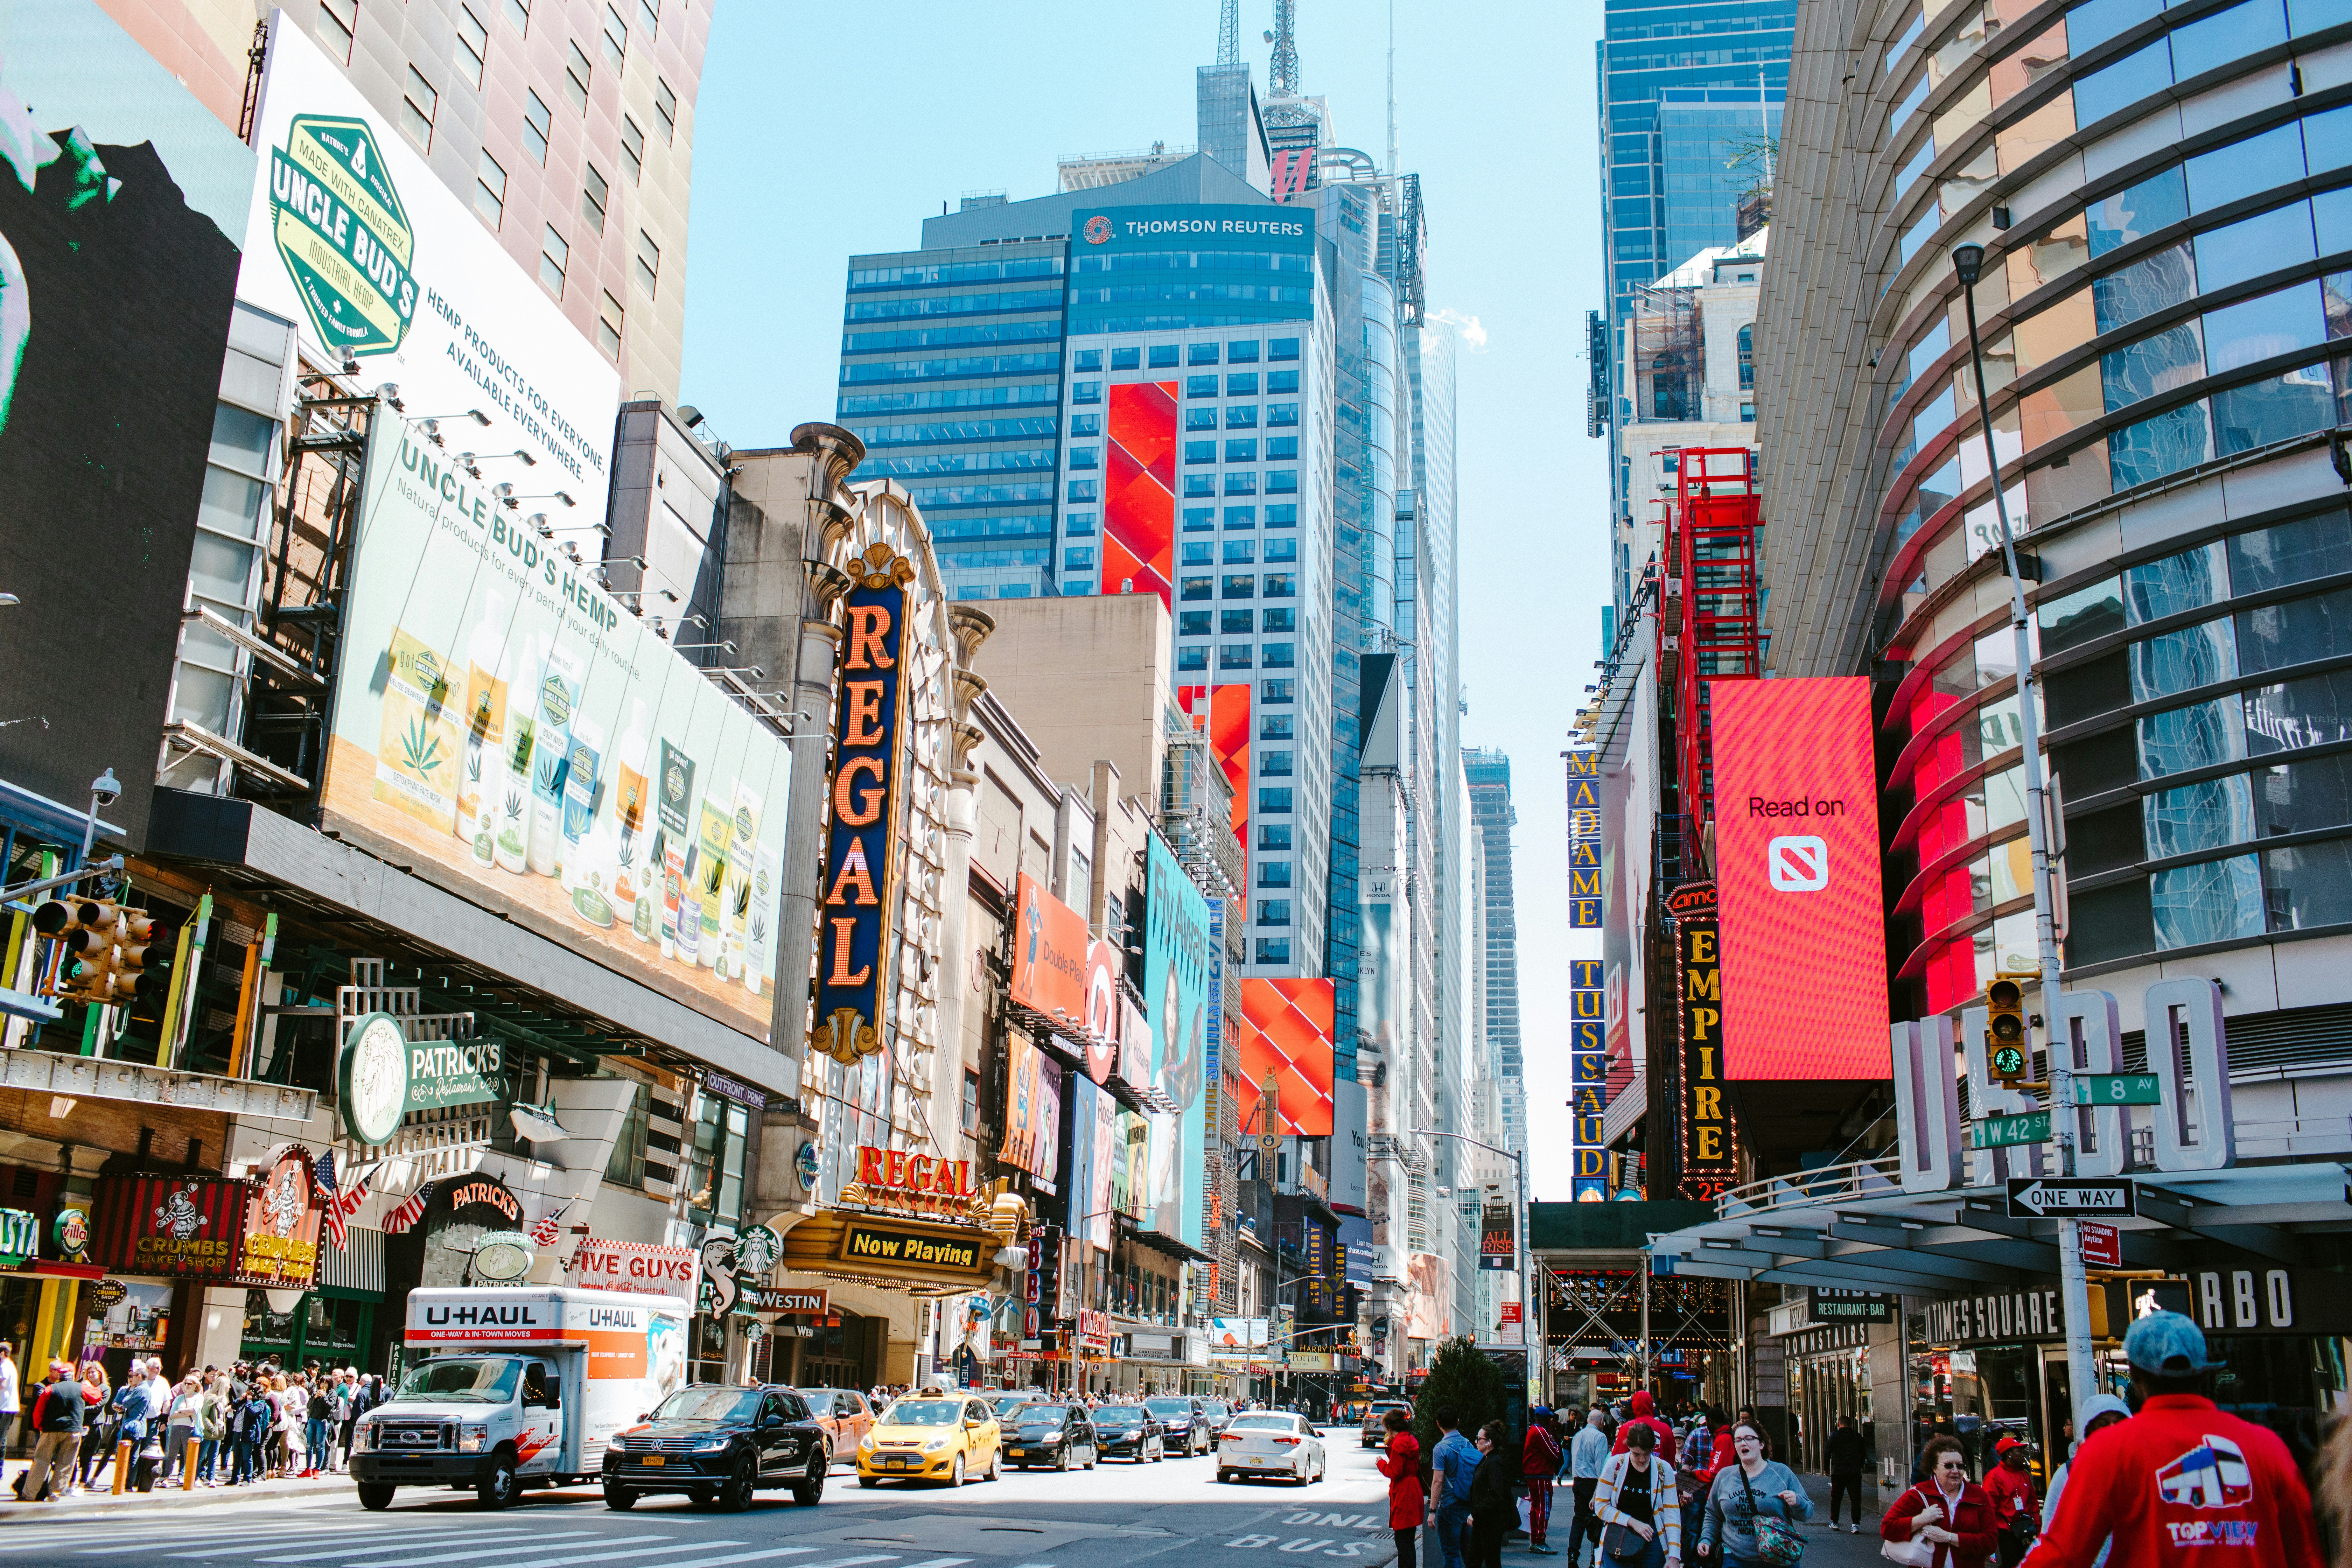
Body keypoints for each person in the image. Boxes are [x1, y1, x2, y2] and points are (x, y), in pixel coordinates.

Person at [2021, 1311, 2319, 1567]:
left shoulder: (2108, 1451)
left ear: (2135, 1374)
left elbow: (2061, 1557)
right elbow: (2305, 1557)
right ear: (2204, 1375)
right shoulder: (2267, 1448)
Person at [1697, 1420, 1812, 1564]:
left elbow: (1807, 1514)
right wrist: (1707, 1539)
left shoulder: (1782, 1473)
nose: (1743, 1443)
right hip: (1735, 1558)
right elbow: (1713, 1514)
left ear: (1761, 1445)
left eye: (1749, 1438)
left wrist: (1798, 1503)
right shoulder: (1724, 1476)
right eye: (1738, 1440)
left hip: (1777, 1558)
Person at [2039, 1393, 2127, 1568]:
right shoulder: (2068, 1474)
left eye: (2119, 1421)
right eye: (2103, 1423)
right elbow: (2051, 1533)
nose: (2112, 1427)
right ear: (2090, 1429)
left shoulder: (2143, 1468)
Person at [1883, 1435, 1999, 1568]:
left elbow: (1990, 1543)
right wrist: (1921, 1519)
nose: (1956, 1471)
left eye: (1960, 1466)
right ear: (1934, 1468)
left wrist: (1948, 1537)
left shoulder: (1978, 1495)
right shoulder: (1919, 1494)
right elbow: (1887, 1529)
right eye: (1949, 1466)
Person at [1592, 1419, 1682, 1568]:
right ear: (1628, 1447)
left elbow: (1672, 1513)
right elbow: (1601, 1507)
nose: (1642, 1459)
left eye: (1647, 1454)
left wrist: (1674, 1556)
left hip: (1652, 1540)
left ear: (1653, 1449)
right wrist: (1633, 1522)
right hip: (1618, 1537)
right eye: (1636, 1454)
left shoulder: (1663, 1469)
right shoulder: (1615, 1465)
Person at [1431, 1405, 1480, 1568]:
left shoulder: (1440, 1449)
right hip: (1468, 1504)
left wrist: (1432, 1511)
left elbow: (1438, 1482)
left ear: (1438, 1424)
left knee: (1451, 1555)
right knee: (1469, 1553)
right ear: (1458, 1422)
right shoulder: (1468, 1444)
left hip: (1449, 1507)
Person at [23, 1362, 80, 1502]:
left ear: (60, 1376)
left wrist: (40, 1427)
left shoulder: (50, 1389)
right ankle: (55, 1494)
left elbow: (39, 1410)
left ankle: (30, 1494)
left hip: (51, 1430)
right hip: (73, 1430)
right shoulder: (81, 1388)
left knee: (42, 1461)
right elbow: (97, 1397)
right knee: (65, 1463)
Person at [1378, 1407, 1426, 1568]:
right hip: (1413, 1488)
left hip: (1404, 1493)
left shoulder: (1398, 1444)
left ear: (1391, 1428)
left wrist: (1381, 1464)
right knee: (1409, 1541)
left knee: (1402, 1543)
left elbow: (1395, 1472)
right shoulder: (1410, 1439)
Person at [1468, 1420, 1517, 1568]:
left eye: (1479, 1439)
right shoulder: (1488, 1460)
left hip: (1490, 1522)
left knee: (1490, 1561)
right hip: (1485, 1521)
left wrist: (1476, 1514)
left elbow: (1496, 1495)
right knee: (1476, 1560)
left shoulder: (1494, 1463)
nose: (1476, 1442)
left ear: (1489, 1443)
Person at [1568, 1404, 1612, 1567]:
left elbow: (1574, 1460)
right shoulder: (1600, 1438)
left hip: (1578, 1480)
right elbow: (1601, 1467)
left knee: (1579, 1518)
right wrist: (1598, 1493)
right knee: (1597, 1520)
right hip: (1593, 1482)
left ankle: (1573, 1554)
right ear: (1601, 1421)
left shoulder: (1578, 1436)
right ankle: (1595, 1558)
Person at [1984, 1435, 2037, 1567]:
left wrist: (2037, 1525)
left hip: (2026, 1529)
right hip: (2006, 1533)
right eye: (2018, 1451)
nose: (2022, 1454)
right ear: (2009, 1454)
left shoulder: (2024, 1475)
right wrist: (2002, 1528)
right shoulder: (1994, 1476)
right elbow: (1990, 1508)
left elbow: (2033, 1503)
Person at [1525, 1407, 1564, 1555]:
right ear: (1545, 1419)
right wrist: (1554, 1442)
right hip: (1540, 1474)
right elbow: (1555, 1454)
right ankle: (1539, 1541)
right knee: (1543, 1509)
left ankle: (1536, 1540)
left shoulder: (1535, 1431)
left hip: (1535, 1474)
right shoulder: (1541, 1432)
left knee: (1537, 1508)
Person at [1825, 1413, 1868, 1535]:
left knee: (1836, 1498)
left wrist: (1826, 1468)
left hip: (1839, 1471)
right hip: (1854, 1471)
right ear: (1850, 1425)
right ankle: (1855, 1524)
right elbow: (1863, 1453)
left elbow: (1827, 1451)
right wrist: (1859, 1465)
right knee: (1856, 1498)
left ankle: (1835, 1522)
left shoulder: (1834, 1436)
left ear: (1839, 1424)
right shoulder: (1857, 1436)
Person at [1614, 1390, 1677, 1464]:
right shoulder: (1666, 1429)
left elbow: (1617, 1458)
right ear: (1651, 1405)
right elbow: (1671, 1458)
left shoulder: (1627, 1428)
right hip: (1660, 1473)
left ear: (1634, 1406)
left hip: (1633, 1474)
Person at [0, 1340, 18, 1464]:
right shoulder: (11, 1364)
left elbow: (3, 1384)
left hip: (4, 1407)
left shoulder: (4, 1366)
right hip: (8, 1407)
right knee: (2, 1438)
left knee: (1, 1439)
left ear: (2, 1353)